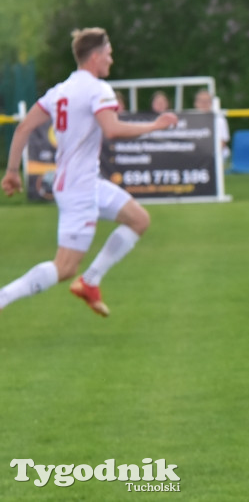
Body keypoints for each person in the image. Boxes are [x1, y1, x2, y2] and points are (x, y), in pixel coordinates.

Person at [0, 28, 178, 316]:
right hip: (79, 189)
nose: (111, 59)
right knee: (64, 267)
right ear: (95, 57)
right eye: (108, 54)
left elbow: (23, 128)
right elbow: (113, 129)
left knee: (139, 220)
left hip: (84, 183)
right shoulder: (97, 89)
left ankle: (91, 281)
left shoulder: (60, 91)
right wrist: (154, 126)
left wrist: (11, 171)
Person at [194, 89, 231, 160]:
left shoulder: (219, 120)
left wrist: (207, 154)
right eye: (201, 101)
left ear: (211, 103)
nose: (204, 104)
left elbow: (222, 143)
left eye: (207, 101)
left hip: (215, 154)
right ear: (196, 103)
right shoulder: (190, 119)